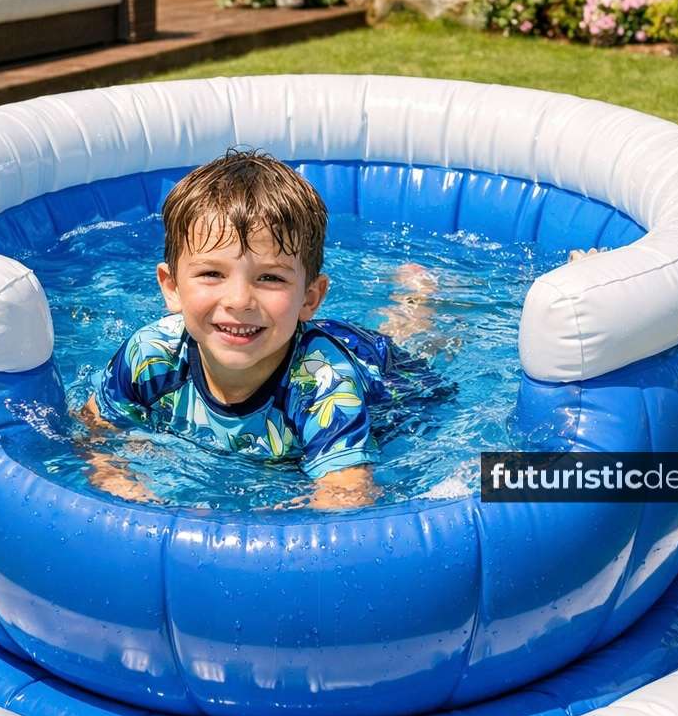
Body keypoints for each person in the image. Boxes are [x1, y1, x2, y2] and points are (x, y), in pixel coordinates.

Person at [78, 149, 444, 510]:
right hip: (296, 335)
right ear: (172, 287)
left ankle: (417, 302)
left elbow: (347, 495)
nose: (239, 300)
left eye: (269, 277)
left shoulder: (323, 384)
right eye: (211, 274)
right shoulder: (151, 354)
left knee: (415, 341)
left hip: (384, 375)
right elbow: (95, 427)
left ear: (309, 297)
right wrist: (132, 493)